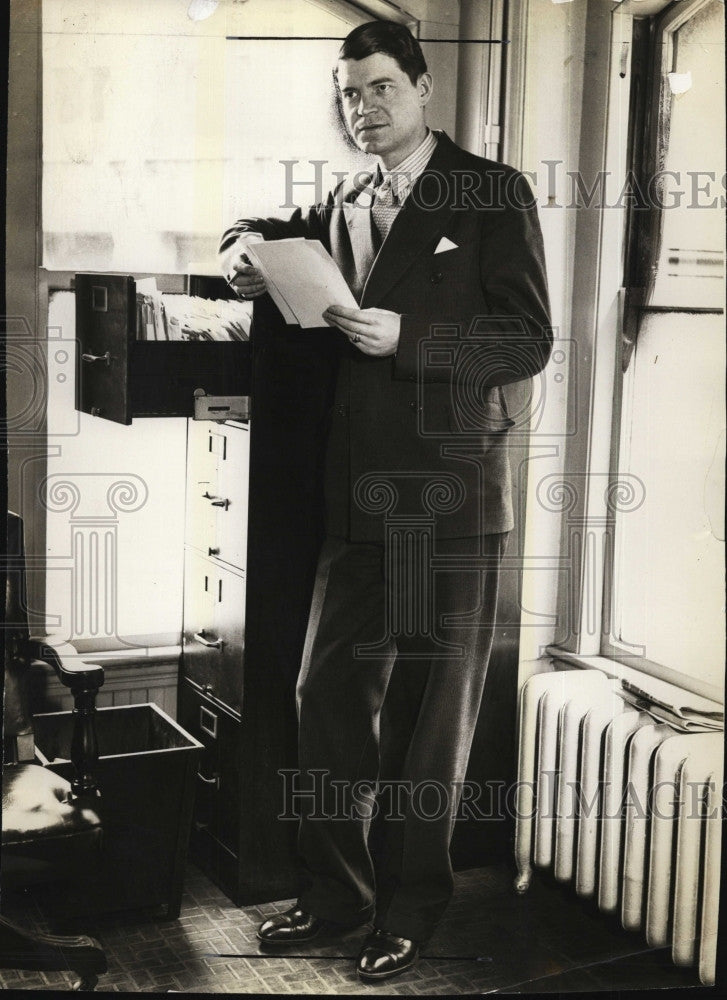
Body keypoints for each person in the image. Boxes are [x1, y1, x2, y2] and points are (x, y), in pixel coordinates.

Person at [219, 20, 551, 983]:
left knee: (422, 722)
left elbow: (525, 341)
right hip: (356, 502)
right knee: (322, 699)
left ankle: (411, 911)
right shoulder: (344, 197)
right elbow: (265, 232)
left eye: (376, 89)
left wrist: (411, 335)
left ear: (421, 87)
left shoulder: (489, 192)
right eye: (346, 94)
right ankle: (333, 899)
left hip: (448, 505)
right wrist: (244, 246)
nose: (359, 108)